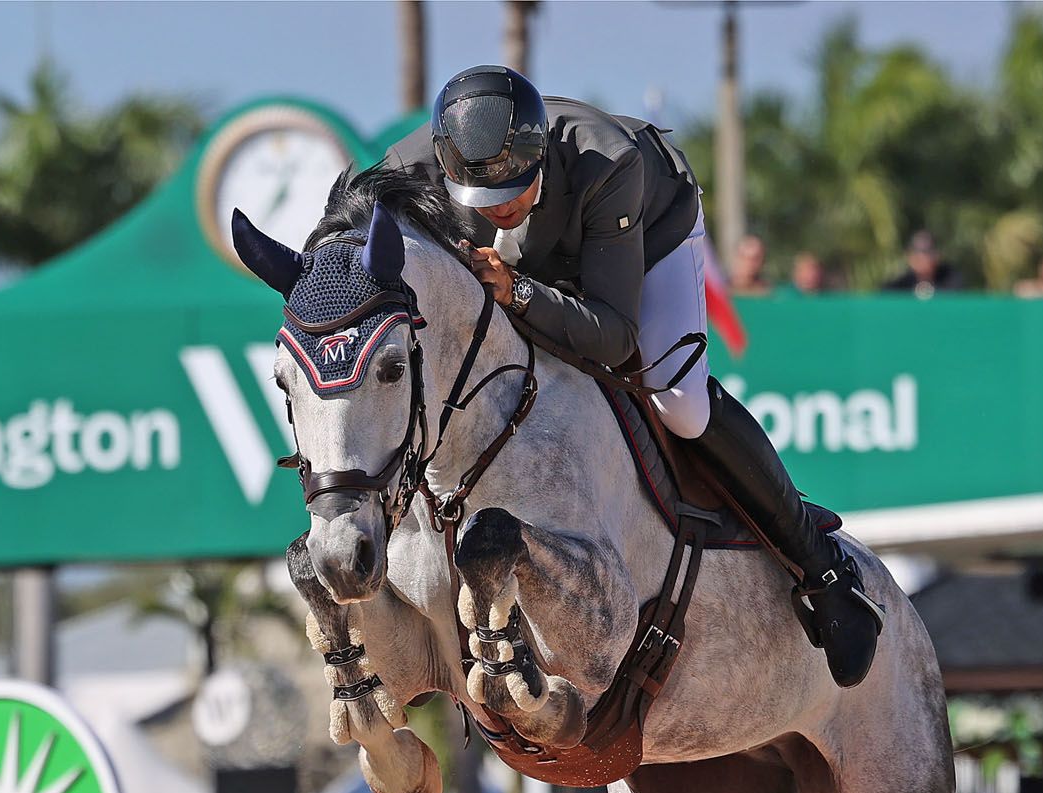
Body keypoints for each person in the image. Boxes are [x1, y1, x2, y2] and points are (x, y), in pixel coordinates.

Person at [387, 65, 881, 685]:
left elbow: (613, 335)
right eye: (483, 199)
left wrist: (515, 291)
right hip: (525, 268)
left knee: (681, 401)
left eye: (512, 191)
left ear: (537, 156)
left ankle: (822, 569)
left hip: (649, 232)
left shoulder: (607, 161)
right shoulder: (413, 169)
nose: (500, 210)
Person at [883, 230, 961, 296]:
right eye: (917, 252)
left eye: (927, 252)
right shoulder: (901, 283)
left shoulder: (950, 278)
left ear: (937, 255)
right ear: (909, 257)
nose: (922, 258)